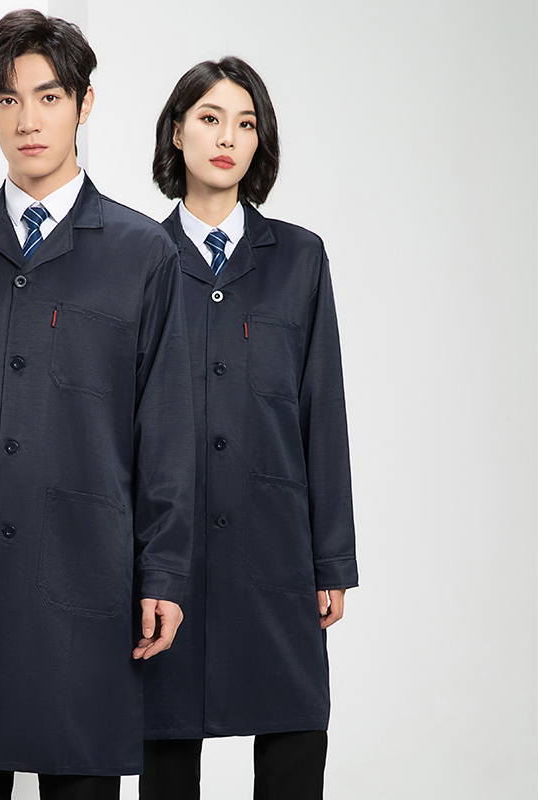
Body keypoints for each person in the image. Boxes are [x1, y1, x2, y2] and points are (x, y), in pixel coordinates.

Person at [0, 10, 195, 800]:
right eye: (8, 100)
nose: (28, 121)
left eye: (49, 97)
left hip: (88, 581)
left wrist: (164, 572)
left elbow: (167, 432)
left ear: (84, 104)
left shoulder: (144, 255)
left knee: (81, 770)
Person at [140, 57, 359, 800]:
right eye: (209, 118)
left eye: (245, 122)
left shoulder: (299, 259)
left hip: (274, 545)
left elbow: (321, 410)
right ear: (177, 132)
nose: (227, 137)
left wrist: (331, 559)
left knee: (294, 735)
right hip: (166, 553)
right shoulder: (137, 259)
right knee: (164, 748)